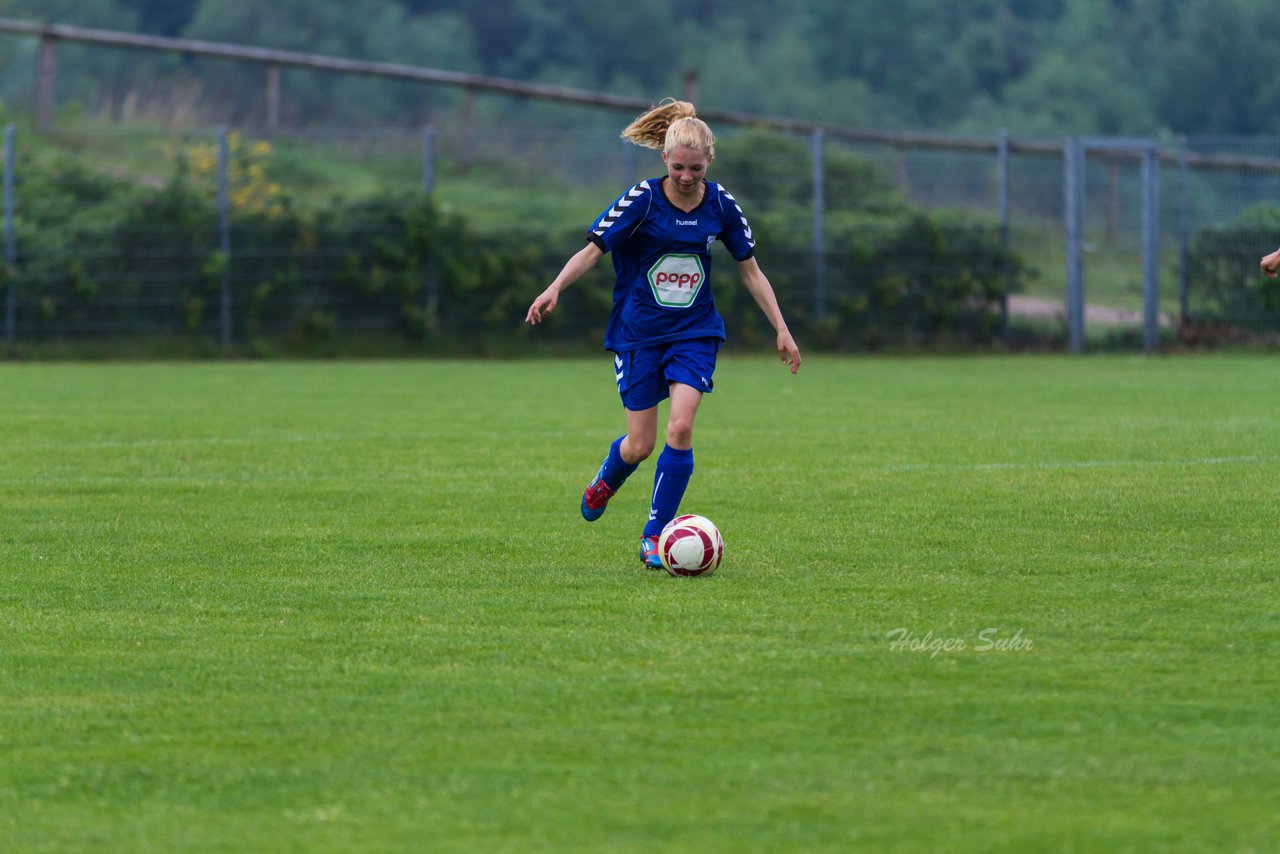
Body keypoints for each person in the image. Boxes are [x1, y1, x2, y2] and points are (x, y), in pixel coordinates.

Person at [525, 98, 802, 569]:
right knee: (640, 444)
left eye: (696, 168)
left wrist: (782, 327)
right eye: (678, 168)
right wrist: (554, 288)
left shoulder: (722, 205)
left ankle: (654, 536)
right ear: (664, 161)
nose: (687, 177)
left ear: (709, 161)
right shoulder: (643, 200)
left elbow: (752, 272)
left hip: (695, 331)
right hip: (638, 334)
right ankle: (606, 480)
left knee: (681, 426)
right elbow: (592, 251)